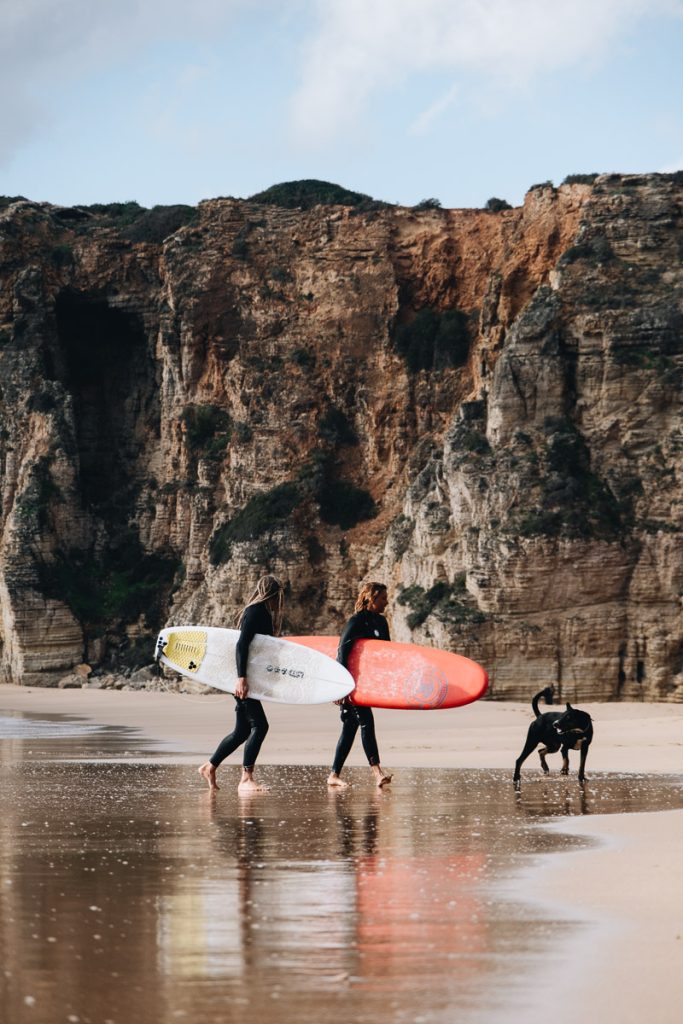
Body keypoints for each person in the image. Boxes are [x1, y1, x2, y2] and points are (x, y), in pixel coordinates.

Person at [198, 575, 284, 793]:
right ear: (272, 594)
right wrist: (241, 678)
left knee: (242, 731)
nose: (279, 601)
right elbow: (241, 645)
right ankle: (246, 777)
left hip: (248, 678)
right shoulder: (255, 612)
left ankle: (210, 766)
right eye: (278, 595)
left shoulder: (263, 613)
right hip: (242, 679)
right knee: (260, 726)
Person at [327, 581, 393, 789]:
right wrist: (341, 686)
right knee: (366, 721)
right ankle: (377, 772)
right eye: (382, 598)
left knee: (350, 729)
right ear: (371, 598)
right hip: (351, 682)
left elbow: (385, 653)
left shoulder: (381, 623)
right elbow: (342, 654)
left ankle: (334, 775)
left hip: (366, 683)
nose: (386, 602)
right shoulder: (355, 622)